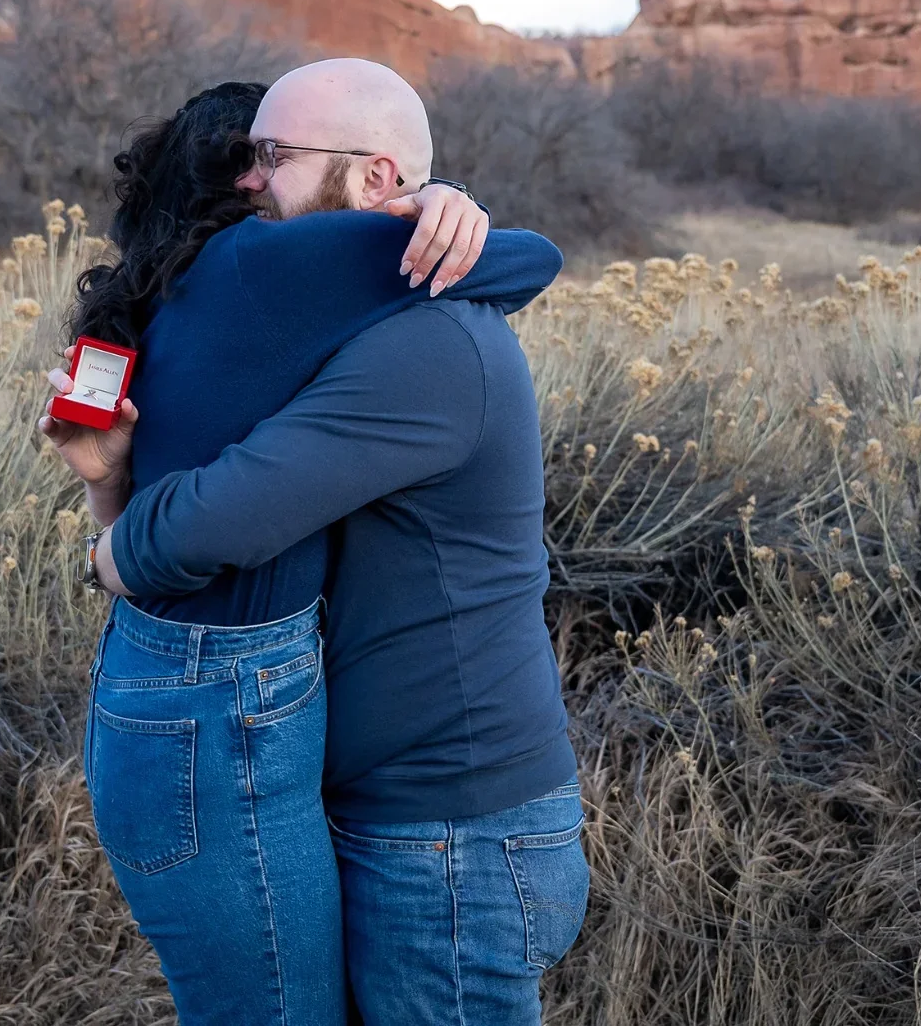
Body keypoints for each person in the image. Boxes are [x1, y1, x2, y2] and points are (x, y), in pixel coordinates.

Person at [61, 58, 588, 1026]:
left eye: (273, 155)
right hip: (388, 804)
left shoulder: (424, 343)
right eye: (244, 157)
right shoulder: (327, 310)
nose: (255, 182)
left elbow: (226, 510)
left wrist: (109, 553)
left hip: (451, 834)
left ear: (374, 180)